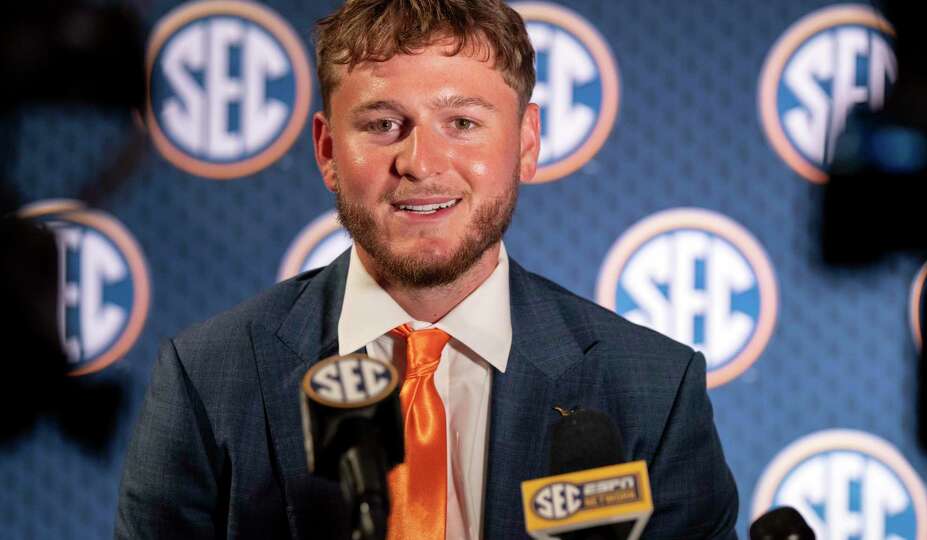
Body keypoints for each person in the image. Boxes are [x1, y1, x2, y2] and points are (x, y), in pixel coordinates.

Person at [115, 0, 739, 538]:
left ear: (525, 142)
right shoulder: (208, 379)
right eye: (384, 125)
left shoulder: (653, 391)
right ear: (328, 150)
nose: (420, 162)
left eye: (462, 123)